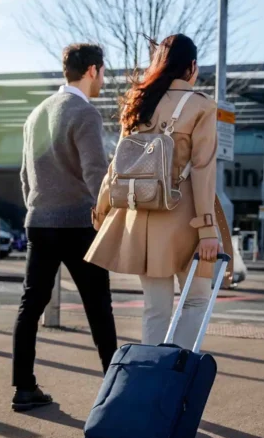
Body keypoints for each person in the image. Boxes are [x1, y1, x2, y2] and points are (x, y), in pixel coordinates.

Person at [87, 34, 230, 351]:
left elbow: (117, 167)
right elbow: (203, 170)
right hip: (185, 218)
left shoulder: (138, 102)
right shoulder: (201, 106)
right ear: (191, 66)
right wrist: (208, 229)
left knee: (155, 310)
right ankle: (174, 374)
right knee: (196, 301)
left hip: (140, 219)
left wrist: (101, 212)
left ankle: (150, 382)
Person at [10, 43, 119, 412]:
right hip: (79, 223)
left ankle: (24, 387)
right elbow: (95, 172)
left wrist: (38, 208)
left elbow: (25, 176)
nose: (104, 79)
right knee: (98, 307)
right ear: (92, 70)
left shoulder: (35, 115)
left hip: (39, 222)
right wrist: (107, 213)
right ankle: (116, 392)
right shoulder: (84, 113)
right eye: (103, 72)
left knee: (31, 303)